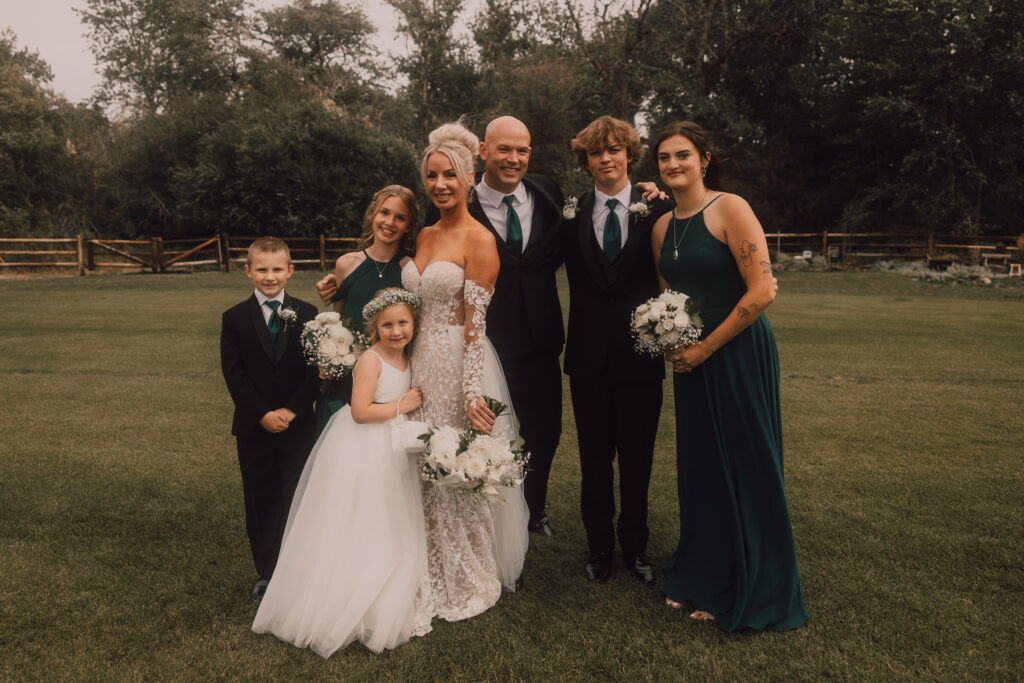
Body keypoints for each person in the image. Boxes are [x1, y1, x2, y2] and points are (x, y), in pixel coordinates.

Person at [651, 121, 808, 631]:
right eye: (664, 158)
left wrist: (705, 348)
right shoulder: (661, 226)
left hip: (736, 354)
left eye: (682, 155)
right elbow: (667, 301)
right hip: (691, 364)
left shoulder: (730, 208)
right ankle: (704, 570)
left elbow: (762, 290)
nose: (673, 165)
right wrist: (671, 341)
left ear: (704, 158)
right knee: (703, 469)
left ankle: (752, 579)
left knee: (746, 461)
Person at [252, 289, 432, 655]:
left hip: (393, 446)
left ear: (414, 323)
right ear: (374, 327)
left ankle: (388, 585)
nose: (396, 331)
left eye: (402, 323)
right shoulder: (371, 360)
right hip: (364, 445)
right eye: (387, 325)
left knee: (390, 516)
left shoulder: (409, 356)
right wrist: (403, 403)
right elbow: (360, 411)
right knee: (361, 517)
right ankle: (347, 594)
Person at [401, 121, 529, 622]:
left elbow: (477, 324)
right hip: (418, 366)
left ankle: (469, 572)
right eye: (432, 176)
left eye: (450, 176)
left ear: (469, 177)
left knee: (456, 462)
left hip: (459, 365)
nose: (440, 185)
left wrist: (473, 390)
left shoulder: (479, 239)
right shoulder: (425, 233)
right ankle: (425, 565)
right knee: (420, 463)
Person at [423, 116, 564, 536]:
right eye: (504, 149)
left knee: (545, 431)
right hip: (485, 341)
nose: (513, 158)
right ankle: (489, 511)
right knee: (490, 429)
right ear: (483, 151)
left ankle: (532, 509)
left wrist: (653, 193)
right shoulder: (449, 197)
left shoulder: (548, 191)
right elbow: (420, 254)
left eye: (522, 150)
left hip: (541, 338)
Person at [561, 116, 673, 586]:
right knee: (593, 460)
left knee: (637, 459)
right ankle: (599, 548)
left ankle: (635, 546)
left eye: (614, 150)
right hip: (587, 359)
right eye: (595, 152)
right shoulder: (569, 213)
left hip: (640, 358)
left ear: (630, 154)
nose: (605, 158)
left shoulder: (658, 208)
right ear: (586, 161)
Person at [220, 237, 319, 599]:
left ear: (290, 271)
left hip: (298, 426)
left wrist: (292, 409)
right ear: (248, 271)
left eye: (277, 269)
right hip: (254, 428)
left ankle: (297, 568)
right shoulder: (234, 318)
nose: (270, 276)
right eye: (261, 269)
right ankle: (267, 572)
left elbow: (315, 370)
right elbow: (234, 374)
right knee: (261, 499)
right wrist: (261, 413)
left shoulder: (309, 314)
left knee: (297, 495)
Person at [311, 186, 417, 436]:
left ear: (409, 226)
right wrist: (327, 360)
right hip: (346, 373)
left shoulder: (410, 268)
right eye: (384, 213)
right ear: (373, 215)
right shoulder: (347, 264)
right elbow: (336, 321)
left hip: (388, 377)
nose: (390, 223)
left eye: (400, 218)